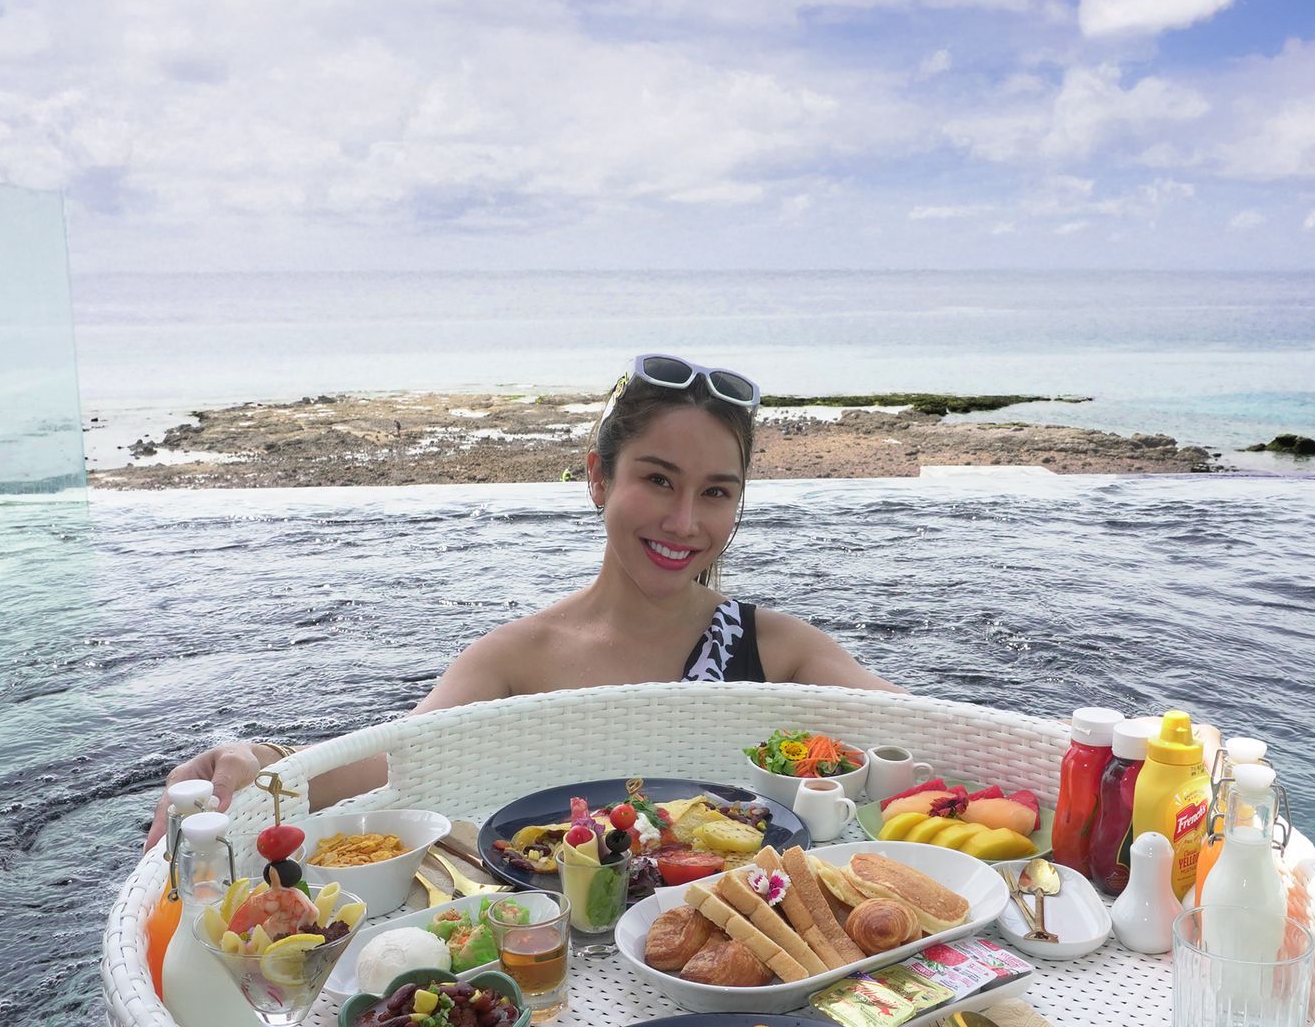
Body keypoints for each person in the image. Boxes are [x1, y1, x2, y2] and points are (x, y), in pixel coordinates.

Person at [144, 354, 898, 848]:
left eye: (716, 493)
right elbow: (390, 760)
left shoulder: (782, 649)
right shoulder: (514, 660)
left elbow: (922, 737)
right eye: (658, 480)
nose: (683, 523)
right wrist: (260, 761)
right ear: (599, 479)